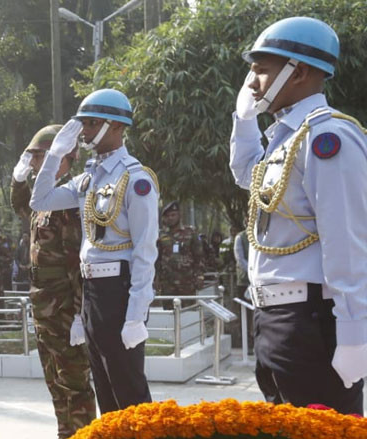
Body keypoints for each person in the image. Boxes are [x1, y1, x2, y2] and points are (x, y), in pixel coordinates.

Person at [229, 16, 367, 413]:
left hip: (309, 320)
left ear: (299, 72)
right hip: (277, 317)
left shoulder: (328, 138)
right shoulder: (285, 138)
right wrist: (242, 121)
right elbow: (246, 176)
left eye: (260, 71)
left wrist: (354, 332)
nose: (251, 83)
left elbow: (348, 240)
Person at [30, 89, 159, 414]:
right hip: (94, 293)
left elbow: (145, 252)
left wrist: (135, 315)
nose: (83, 132)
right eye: (82, 124)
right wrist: (54, 157)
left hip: (119, 290)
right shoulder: (88, 180)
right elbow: (40, 201)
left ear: (115, 126)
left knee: (128, 386)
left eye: (90, 123)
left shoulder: (135, 180)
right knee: (104, 386)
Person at [10, 124, 96, 439]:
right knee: (55, 383)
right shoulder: (45, 199)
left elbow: (78, 262)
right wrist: (18, 179)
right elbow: (22, 208)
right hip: (44, 307)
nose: (33, 163)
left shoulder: (69, 199)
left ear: (63, 158)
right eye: (31, 158)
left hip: (62, 308)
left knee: (74, 385)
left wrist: (79, 313)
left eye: (38, 156)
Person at [155, 201, 205, 307]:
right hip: (167, 284)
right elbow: (157, 259)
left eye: (173, 215)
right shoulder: (161, 236)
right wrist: (156, 278)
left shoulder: (190, 233)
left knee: (188, 315)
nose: (171, 218)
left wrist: (199, 276)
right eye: (168, 216)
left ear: (179, 215)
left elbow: (199, 257)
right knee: (169, 316)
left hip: (187, 283)